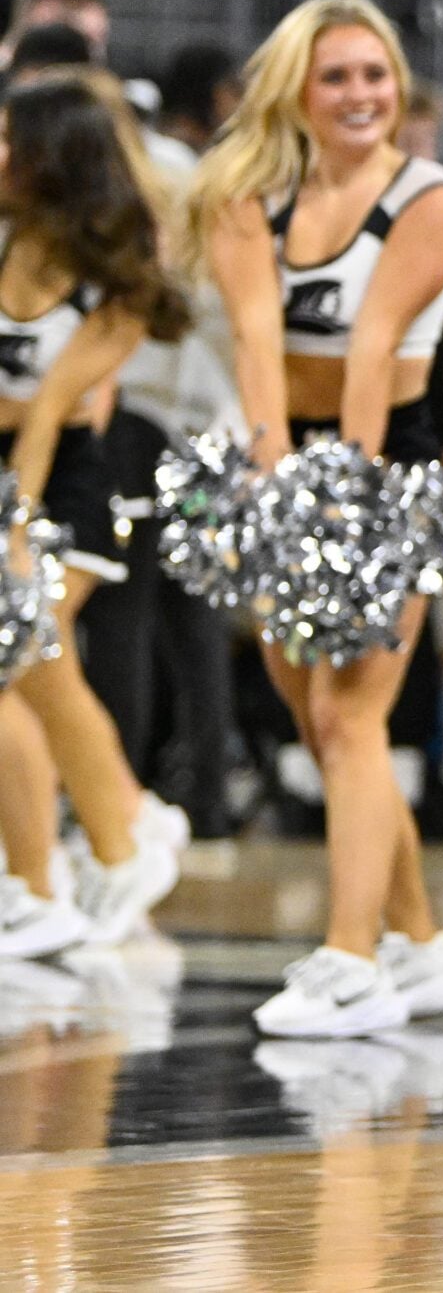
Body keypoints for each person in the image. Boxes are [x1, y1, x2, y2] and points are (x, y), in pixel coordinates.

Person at [183, 0, 443, 1032]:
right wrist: (275, 485)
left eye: (376, 74)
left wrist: (342, 501)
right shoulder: (243, 198)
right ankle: (422, 944)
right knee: (319, 721)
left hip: (382, 466)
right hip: (285, 463)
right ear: (296, 93)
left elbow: (372, 351)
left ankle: (353, 958)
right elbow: (258, 348)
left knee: (351, 718)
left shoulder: (428, 199)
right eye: (338, 77)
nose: (362, 95)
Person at [0, 72, 194, 960]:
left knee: (25, 659)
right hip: (15, 464)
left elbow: (48, 415)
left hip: (66, 481)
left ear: (53, 157)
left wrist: (16, 532)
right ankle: (122, 841)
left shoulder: (113, 284)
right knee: (40, 672)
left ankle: (43, 883)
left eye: (11, 141)